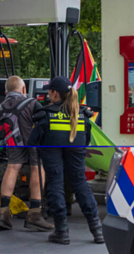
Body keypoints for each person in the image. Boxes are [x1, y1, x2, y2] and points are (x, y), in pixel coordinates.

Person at [29, 76, 104, 245]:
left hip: (51, 148)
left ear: (55, 93)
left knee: (55, 183)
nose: (48, 93)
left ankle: (62, 231)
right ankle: (97, 230)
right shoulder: (82, 115)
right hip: (76, 148)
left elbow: (32, 141)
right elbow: (86, 141)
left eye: (50, 90)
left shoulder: (45, 114)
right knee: (80, 183)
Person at [0, 75, 52, 233]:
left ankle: (3, 214)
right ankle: (34, 215)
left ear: (6, 92)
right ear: (24, 89)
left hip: (12, 142)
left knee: (12, 168)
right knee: (37, 169)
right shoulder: (32, 103)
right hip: (34, 142)